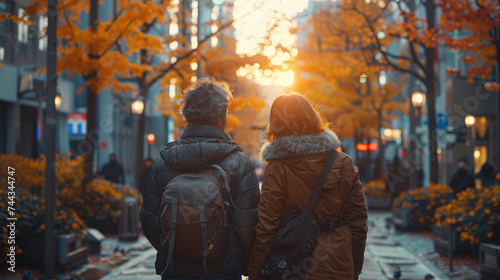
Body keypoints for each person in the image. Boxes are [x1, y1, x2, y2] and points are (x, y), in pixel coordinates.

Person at [141, 77, 261, 280]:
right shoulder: (239, 163)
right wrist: (239, 261)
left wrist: (177, 248)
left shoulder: (163, 162)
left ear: (187, 116)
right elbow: (248, 226)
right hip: (223, 270)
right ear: (220, 117)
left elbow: (150, 222)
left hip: (174, 269)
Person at [247, 94, 368, 279]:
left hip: (293, 264)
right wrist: (355, 265)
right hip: (337, 260)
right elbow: (359, 221)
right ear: (313, 117)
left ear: (276, 124)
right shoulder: (343, 163)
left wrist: (254, 269)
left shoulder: (277, 167)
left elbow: (267, 224)